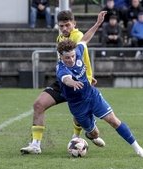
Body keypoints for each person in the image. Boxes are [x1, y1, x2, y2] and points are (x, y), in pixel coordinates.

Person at [56, 11, 143, 158]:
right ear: (61, 57)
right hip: (77, 105)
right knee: (94, 133)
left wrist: (97, 24)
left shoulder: (78, 51)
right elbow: (66, 79)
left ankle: (138, 148)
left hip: (92, 96)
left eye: (72, 56)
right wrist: (72, 82)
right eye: (67, 58)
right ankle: (89, 134)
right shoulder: (61, 69)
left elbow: (84, 40)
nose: (71, 59)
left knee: (113, 120)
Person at [20, 10, 100, 154]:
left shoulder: (77, 35)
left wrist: (88, 76)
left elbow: (83, 43)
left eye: (67, 25)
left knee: (88, 127)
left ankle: (78, 137)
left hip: (80, 84)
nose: (64, 29)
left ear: (74, 24)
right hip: (63, 82)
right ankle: (35, 145)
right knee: (39, 104)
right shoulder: (60, 38)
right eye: (61, 26)